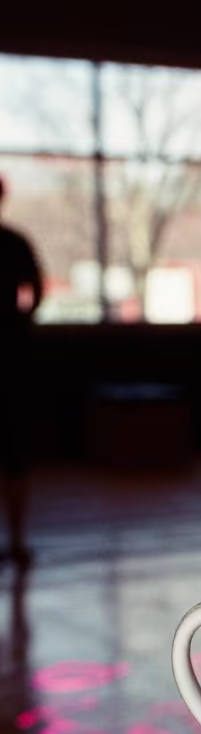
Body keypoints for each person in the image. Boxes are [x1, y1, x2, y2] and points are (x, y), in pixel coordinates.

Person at [0, 175, 44, 563]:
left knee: (14, 455)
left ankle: (13, 541)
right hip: (11, 355)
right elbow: (37, 291)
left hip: (11, 357)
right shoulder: (13, 243)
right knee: (13, 455)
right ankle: (13, 541)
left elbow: (37, 291)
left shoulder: (14, 243)